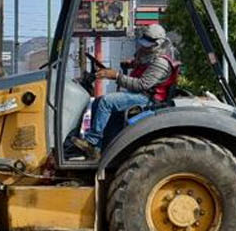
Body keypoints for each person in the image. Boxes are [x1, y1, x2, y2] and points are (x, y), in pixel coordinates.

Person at [72, 24, 179, 157]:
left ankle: (92, 142)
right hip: (139, 94)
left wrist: (116, 76)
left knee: (106, 102)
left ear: (157, 44)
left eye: (147, 44)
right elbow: (142, 64)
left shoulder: (161, 63)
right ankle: (100, 148)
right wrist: (130, 63)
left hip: (148, 99)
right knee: (97, 102)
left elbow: (141, 85)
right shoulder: (149, 55)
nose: (144, 47)